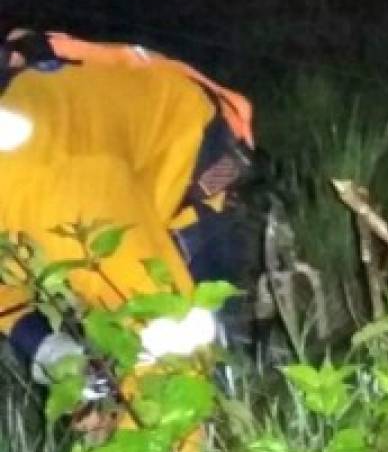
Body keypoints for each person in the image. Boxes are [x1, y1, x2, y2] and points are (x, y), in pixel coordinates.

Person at [0, 29, 255, 406]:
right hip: (84, 163)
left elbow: (168, 335)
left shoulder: (54, 186)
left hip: (184, 151)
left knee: (194, 348)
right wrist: (46, 347)